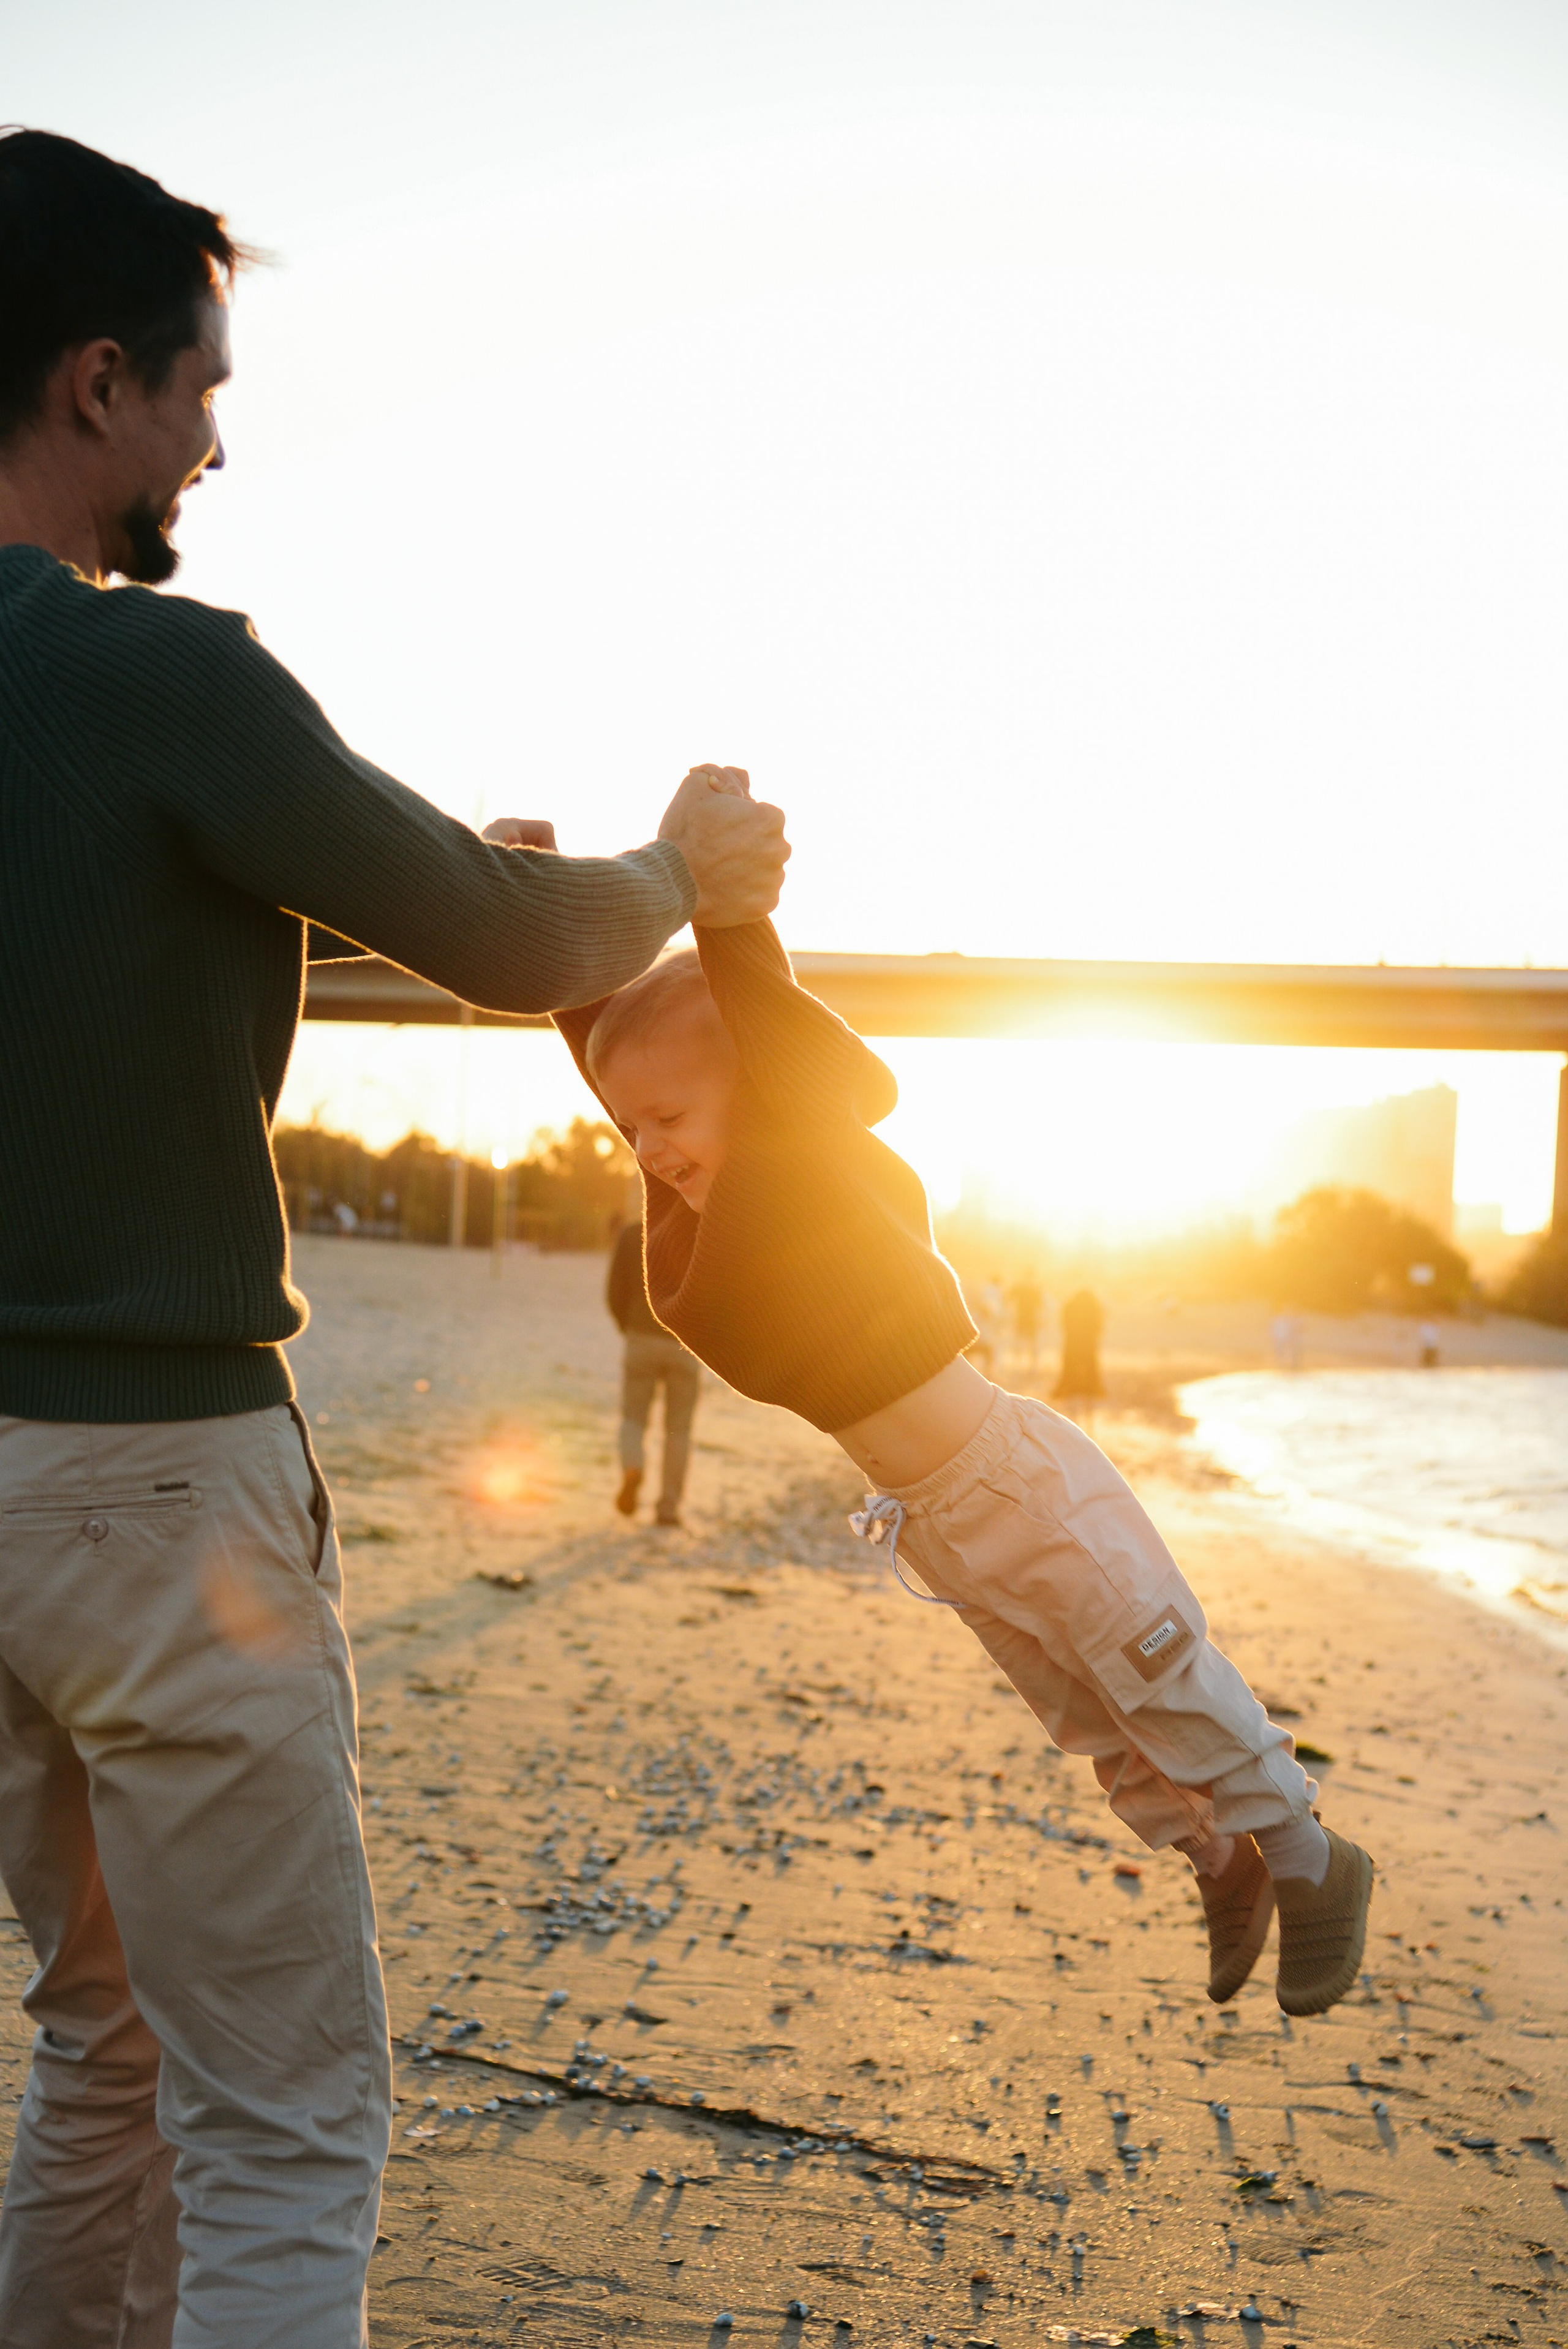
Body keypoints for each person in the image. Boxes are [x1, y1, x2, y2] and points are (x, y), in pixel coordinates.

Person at [0, 129, 789, 2349]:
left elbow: (112, 936)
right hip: (156, 1494)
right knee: (282, 2116)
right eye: (196, 385)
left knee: (107, 2045)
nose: (216, 435)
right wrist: (678, 856)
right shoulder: (147, 668)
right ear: (90, 385)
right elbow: (514, 932)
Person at [554, 903, 1374, 2023]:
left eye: (668, 1119)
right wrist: (560, 942)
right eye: (630, 1128)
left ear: (760, 1085)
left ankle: (1305, 1852)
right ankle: (1217, 1861)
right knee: (1091, 1720)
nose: (646, 1149)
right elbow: (643, 1088)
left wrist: (727, 899)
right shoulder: (709, 1225)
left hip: (1017, 1478)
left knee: (1157, 1677)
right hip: (934, 1521)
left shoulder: (804, 1155)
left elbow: (771, 1038)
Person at [606, 1215, 701, 1526]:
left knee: (633, 1418)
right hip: (684, 1341)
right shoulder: (698, 1233)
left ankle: (633, 1467)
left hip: (640, 1337)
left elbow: (614, 1290)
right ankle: (668, 1508)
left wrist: (629, 1324)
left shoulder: (632, 1234)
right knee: (679, 1430)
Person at [1054, 1285, 1106, 1401]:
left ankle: (1069, 1388)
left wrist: (1071, 1333)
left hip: (1072, 1341)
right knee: (1091, 1365)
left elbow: (1065, 1322)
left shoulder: (1071, 1305)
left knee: (1069, 1364)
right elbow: (1099, 1325)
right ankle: (1091, 1389)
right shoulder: (1094, 1306)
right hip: (1089, 1342)